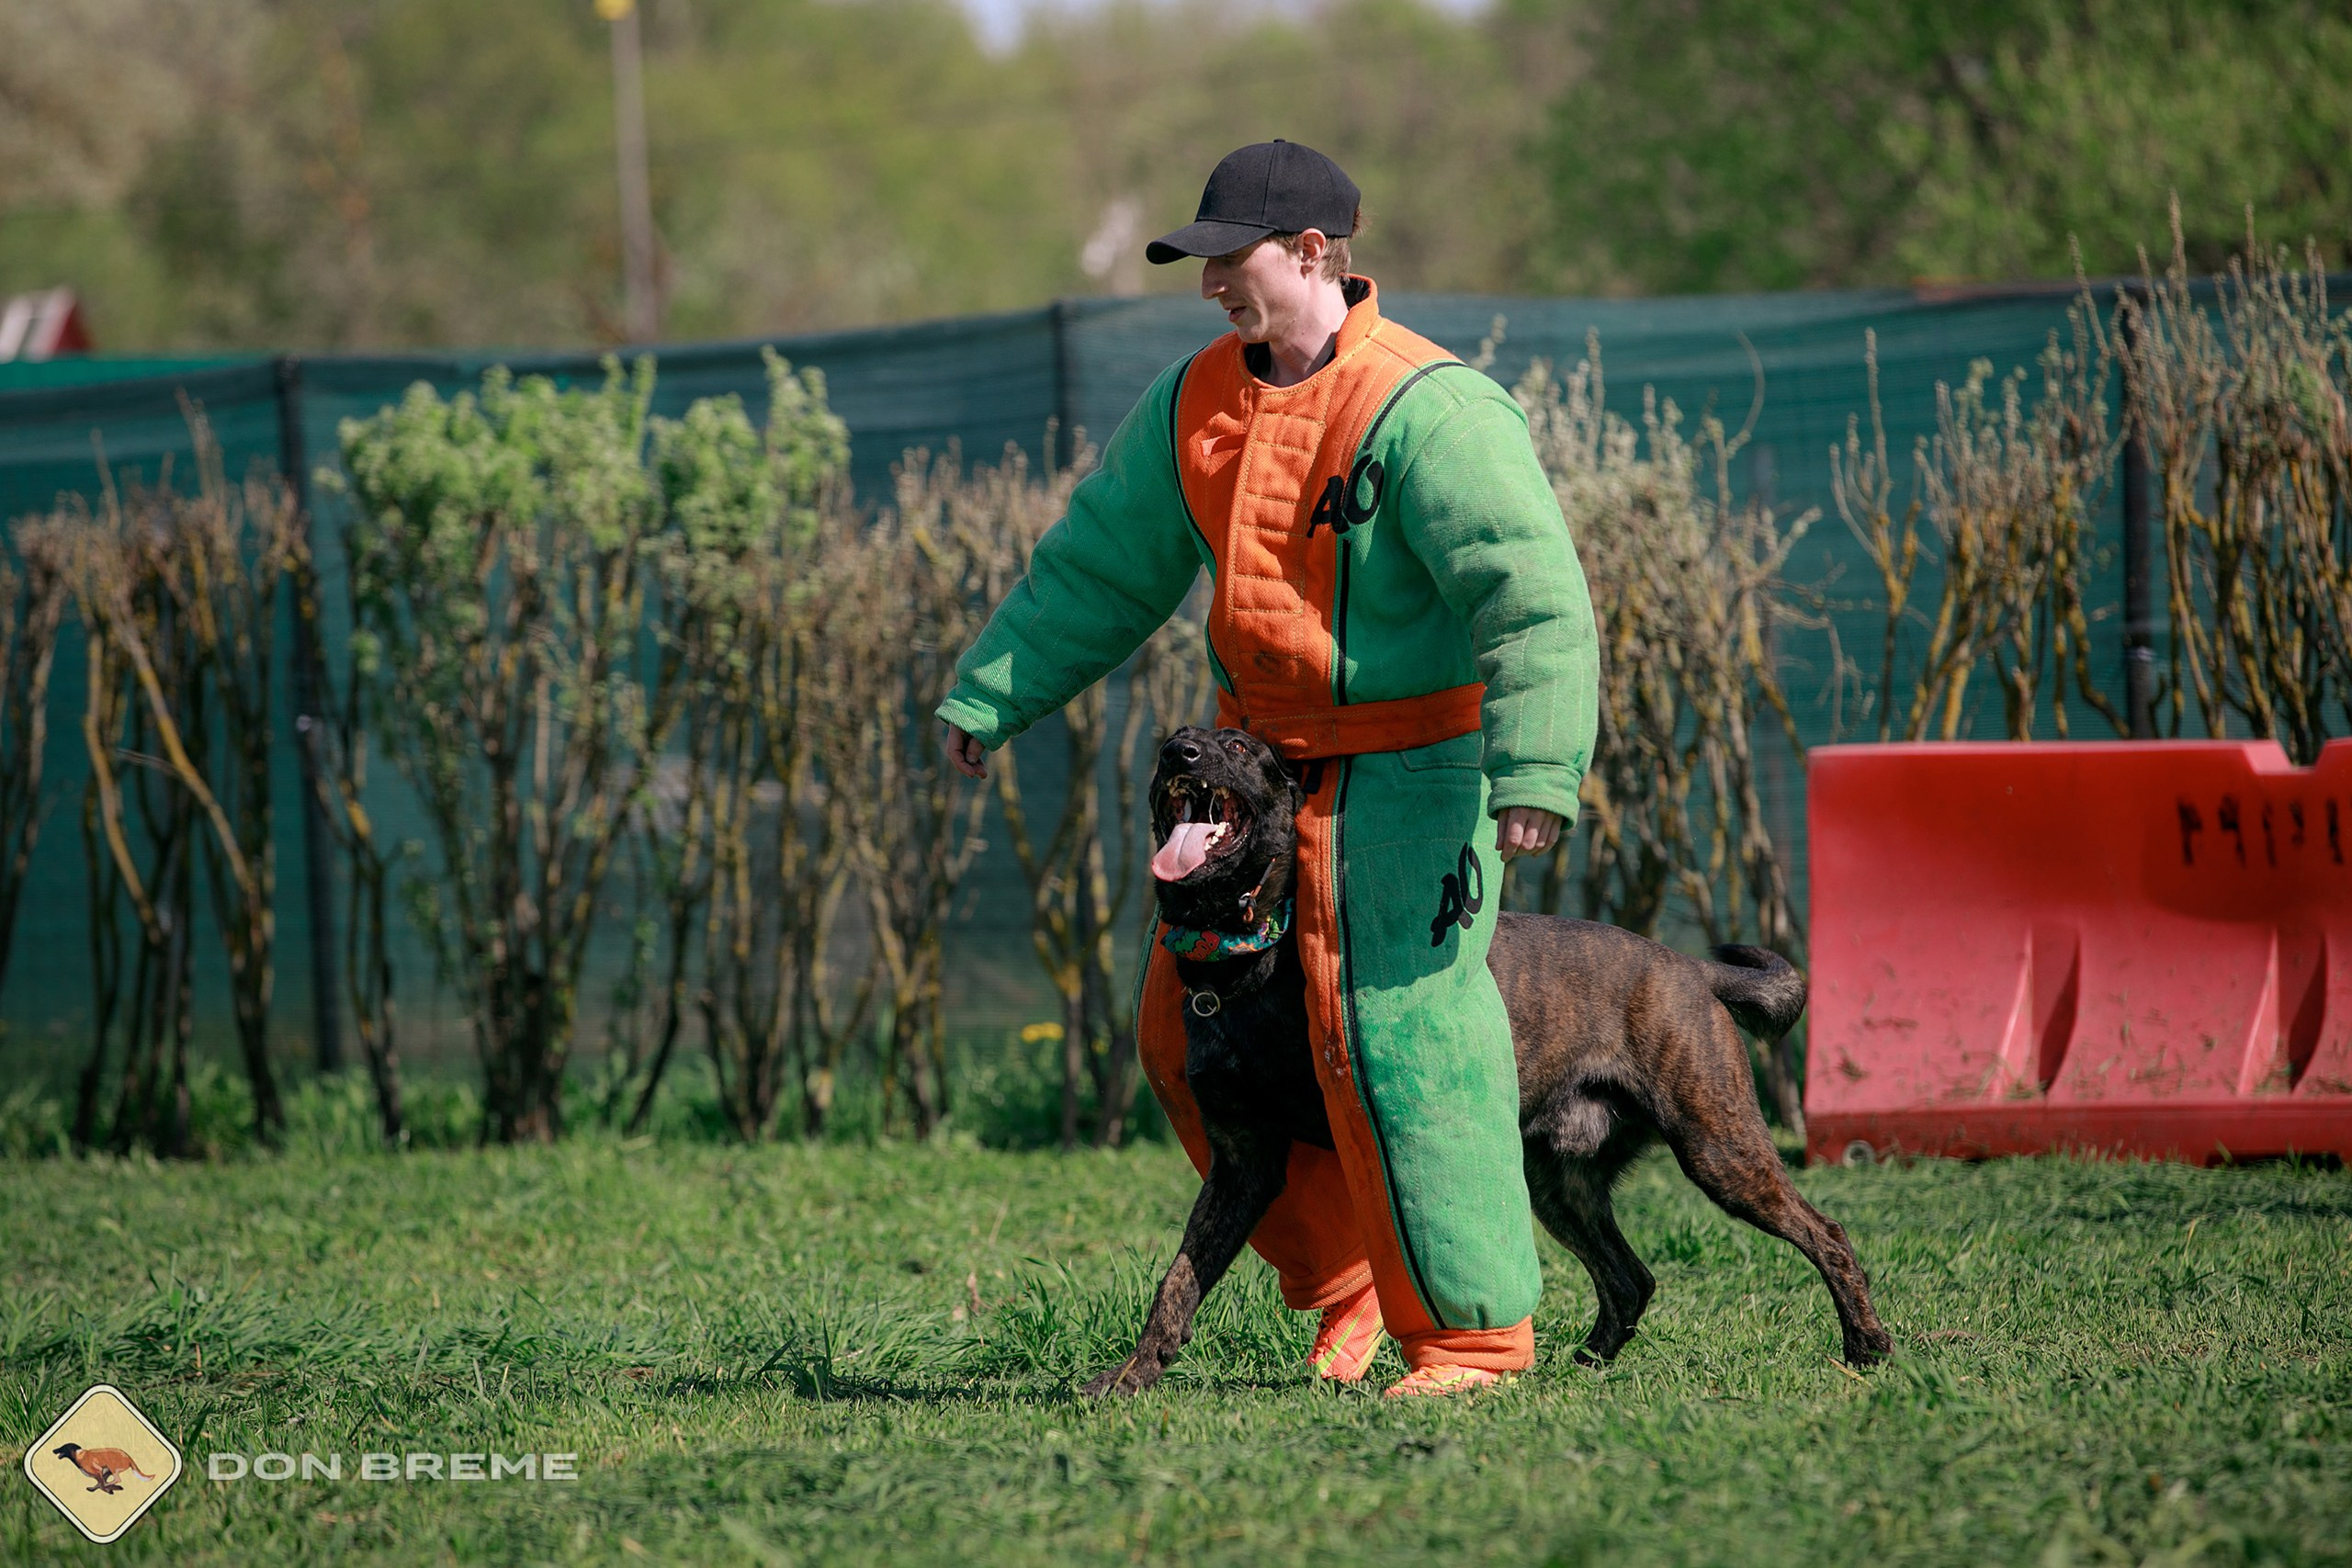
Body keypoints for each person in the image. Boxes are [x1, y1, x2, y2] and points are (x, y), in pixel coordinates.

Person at [936, 140, 1599, 1397]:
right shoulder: (1191, 401)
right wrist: (993, 692)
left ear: (1311, 252)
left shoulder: (1434, 408)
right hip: (1253, 776)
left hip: (1412, 776)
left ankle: (1470, 1337)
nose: (1208, 287)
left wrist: (1535, 771)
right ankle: (1350, 1278)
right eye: (1200, 265)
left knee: (1402, 1044)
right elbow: (1100, 568)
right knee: (1182, 1044)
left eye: (1227, 261)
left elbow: (1532, 600)